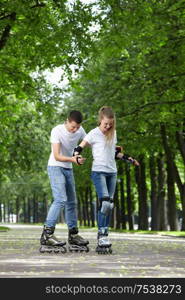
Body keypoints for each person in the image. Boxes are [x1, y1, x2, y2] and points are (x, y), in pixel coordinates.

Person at [74, 106, 139, 254]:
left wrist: (129, 158)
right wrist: (76, 156)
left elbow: (114, 154)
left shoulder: (113, 133)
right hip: (98, 172)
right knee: (104, 203)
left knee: (109, 205)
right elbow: (79, 147)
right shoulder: (93, 133)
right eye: (105, 124)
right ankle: (102, 236)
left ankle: (103, 235)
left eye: (110, 124)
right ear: (100, 120)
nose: (108, 126)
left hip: (112, 172)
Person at [40, 110, 89, 253]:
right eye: (72, 127)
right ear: (67, 121)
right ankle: (47, 234)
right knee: (60, 199)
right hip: (55, 167)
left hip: (68, 168)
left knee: (72, 202)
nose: (75, 130)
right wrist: (73, 159)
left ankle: (73, 234)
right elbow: (56, 156)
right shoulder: (57, 130)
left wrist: (78, 157)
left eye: (78, 127)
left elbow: (87, 143)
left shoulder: (80, 131)